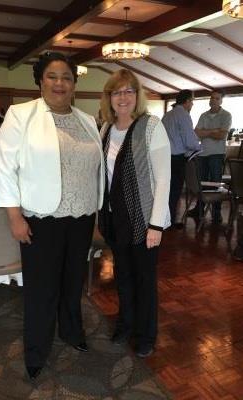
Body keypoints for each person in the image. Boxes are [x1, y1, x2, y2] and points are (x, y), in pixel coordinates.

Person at [0, 52, 105, 381]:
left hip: (82, 216)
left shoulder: (87, 120)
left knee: (73, 282)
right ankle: (37, 350)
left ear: (74, 83)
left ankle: (72, 332)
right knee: (42, 289)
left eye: (67, 77)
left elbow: (96, 171)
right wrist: (14, 216)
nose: (60, 83)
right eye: (52, 76)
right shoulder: (21, 114)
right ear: (41, 80)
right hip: (42, 218)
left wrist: (96, 212)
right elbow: (4, 167)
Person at [98, 69, 171, 358]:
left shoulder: (151, 126)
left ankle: (146, 334)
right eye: (117, 92)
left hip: (144, 219)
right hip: (115, 218)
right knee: (123, 276)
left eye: (129, 91)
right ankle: (125, 324)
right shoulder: (106, 128)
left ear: (137, 95)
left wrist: (156, 225)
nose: (123, 97)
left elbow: (164, 179)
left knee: (144, 279)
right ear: (109, 97)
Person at [162, 90, 201, 228]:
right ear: (187, 101)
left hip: (165, 157)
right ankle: (170, 222)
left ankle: (163, 220)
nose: (192, 104)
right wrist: (199, 146)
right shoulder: (183, 115)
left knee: (165, 190)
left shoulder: (167, 115)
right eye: (191, 101)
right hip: (177, 158)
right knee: (174, 191)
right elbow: (189, 141)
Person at [193, 90, 232, 223]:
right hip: (202, 153)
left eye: (216, 98)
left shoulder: (226, 115)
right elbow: (197, 134)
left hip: (217, 154)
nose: (213, 100)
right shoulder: (203, 115)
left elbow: (222, 135)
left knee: (216, 183)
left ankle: (216, 213)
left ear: (221, 101)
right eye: (212, 98)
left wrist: (206, 132)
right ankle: (199, 209)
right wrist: (214, 131)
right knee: (200, 182)